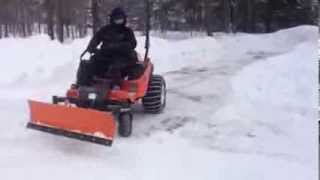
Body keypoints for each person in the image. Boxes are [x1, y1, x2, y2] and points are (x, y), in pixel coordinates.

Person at [77, 7, 138, 86]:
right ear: (112, 19)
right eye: (116, 18)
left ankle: (116, 86)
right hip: (105, 55)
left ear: (124, 19)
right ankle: (82, 85)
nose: (118, 21)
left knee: (115, 67)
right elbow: (96, 39)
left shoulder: (127, 31)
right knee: (87, 64)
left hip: (123, 57)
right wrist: (91, 47)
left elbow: (133, 44)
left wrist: (119, 47)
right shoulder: (105, 30)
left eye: (120, 19)